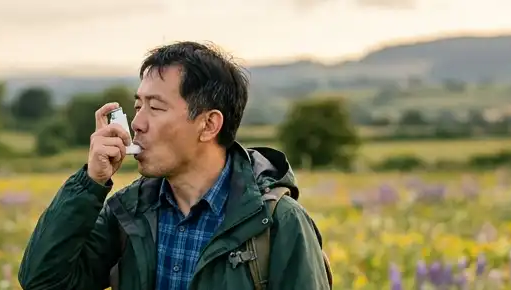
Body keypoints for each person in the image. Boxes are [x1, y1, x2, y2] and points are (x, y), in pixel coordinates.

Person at [18, 41, 331, 290]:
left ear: (209, 125)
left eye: (155, 108)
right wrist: (91, 182)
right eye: (137, 106)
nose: (136, 124)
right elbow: (43, 282)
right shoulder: (128, 212)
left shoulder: (279, 223)